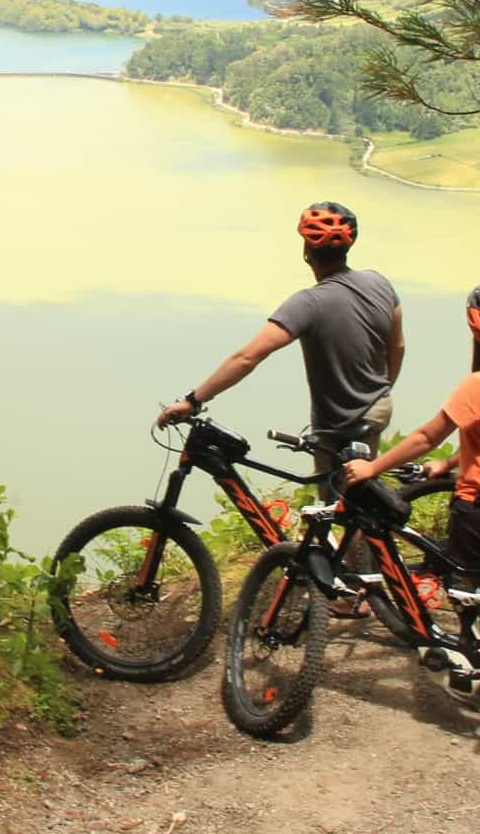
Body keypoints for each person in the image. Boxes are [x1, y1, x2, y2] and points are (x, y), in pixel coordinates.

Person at [155, 201, 404, 613]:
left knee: (339, 508)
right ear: (349, 246)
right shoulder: (380, 283)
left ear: (306, 251)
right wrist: (381, 390)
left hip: (341, 423)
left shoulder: (308, 303)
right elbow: (397, 346)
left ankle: (350, 593)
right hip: (378, 407)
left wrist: (194, 399)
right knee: (348, 502)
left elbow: (248, 356)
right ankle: (355, 574)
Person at [340, 281, 480, 716]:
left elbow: (426, 436)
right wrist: (452, 462)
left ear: (477, 336)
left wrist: (372, 468)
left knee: (476, 593)